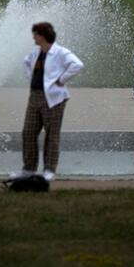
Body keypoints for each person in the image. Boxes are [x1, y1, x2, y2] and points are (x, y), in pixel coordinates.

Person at [15, 22, 83, 181]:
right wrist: (31, 79)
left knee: (51, 135)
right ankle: (29, 169)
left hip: (54, 98)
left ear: (42, 35)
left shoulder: (60, 52)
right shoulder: (36, 51)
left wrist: (62, 79)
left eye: (35, 34)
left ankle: (49, 169)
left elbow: (77, 64)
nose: (33, 37)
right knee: (28, 132)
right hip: (35, 96)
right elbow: (25, 63)